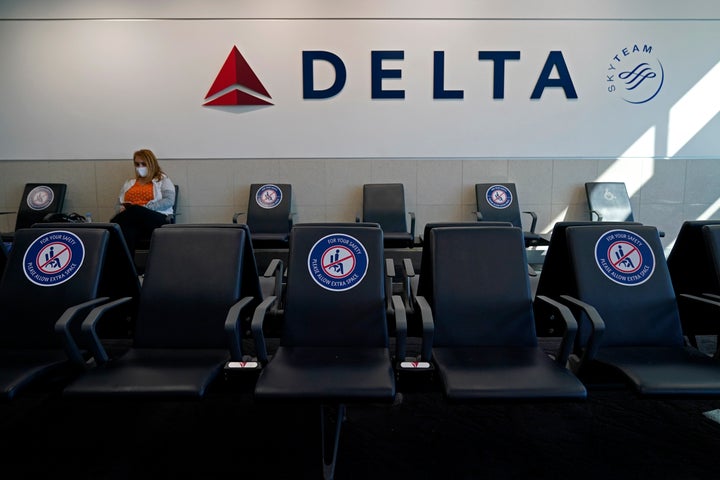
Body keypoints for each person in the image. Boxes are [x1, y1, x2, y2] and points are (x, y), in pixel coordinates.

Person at [110, 149, 176, 255]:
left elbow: (169, 201)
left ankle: (113, 224)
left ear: (151, 163)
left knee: (134, 210)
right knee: (127, 232)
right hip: (133, 220)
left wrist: (145, 208)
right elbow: (118, 204)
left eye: (143, 164)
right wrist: (121, 209)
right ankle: (129, 269)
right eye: (137, 164)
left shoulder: (162, 179)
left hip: (157, 218)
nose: (140, 167)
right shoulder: (129, 183)